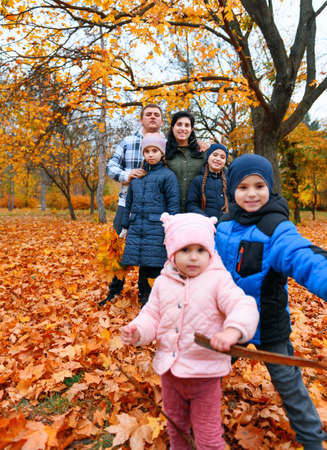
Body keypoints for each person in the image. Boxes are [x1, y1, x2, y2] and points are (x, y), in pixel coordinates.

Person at [215, 154, 327, 450]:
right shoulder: (223, 225)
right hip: (231, 325)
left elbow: (304, 258)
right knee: (208, 371)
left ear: (270, 188)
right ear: (232, 192)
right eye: (243, 187)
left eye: (259, 185)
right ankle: (200, 420)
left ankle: (313, 441)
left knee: (289, 384)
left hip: (269, 325)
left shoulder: (277, 228)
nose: (251, 194)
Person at [121, 212, 259, 449]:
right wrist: (138, 331)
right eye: (185, 250)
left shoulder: (218, 280)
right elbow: (152, 315)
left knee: (208, 437)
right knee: (176, 430)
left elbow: (243, 305)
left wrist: (232, 331)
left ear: (210, 252)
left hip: (204, 376)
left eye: (200, 250)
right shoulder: (164, 282)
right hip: (170, 375)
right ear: (172, 252)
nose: (193, 257)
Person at [99, 104, 164, 307]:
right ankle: (114, 291)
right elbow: (111, 166)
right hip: (126, 203)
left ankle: (146, 294)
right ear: (141, 119)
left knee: (150, 250)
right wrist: (127, 175)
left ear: (161, 120)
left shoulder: (166, 143)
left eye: (157, 115)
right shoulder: (128, 141)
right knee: (117, 247)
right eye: (148, 114)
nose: (152, 117)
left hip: (154, 208)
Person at [119, 133, 180, 305]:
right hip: (138, 227)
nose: (151, 154)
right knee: (143, 263)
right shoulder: (138, 177)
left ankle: (155, 299)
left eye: (155, 150)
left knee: (155, 263)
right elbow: (128, 202)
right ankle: (143, 296)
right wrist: (125, 226)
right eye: (147, 151)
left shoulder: (168, 176)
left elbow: (173, 205)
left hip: (156, 228)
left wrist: (170, 230)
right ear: (143, 154)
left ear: (162, 153)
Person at [165, 111, 206, 212]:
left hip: (197, 212)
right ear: (172, 127)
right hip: (170, 212)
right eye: (179, 124)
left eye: (187, 125)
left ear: (191, 129)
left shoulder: (202, 152)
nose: (183, 128)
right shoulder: (163, 152)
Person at [186, 143, 229, 220]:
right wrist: (205, 219)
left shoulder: (229, 181)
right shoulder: (198, 180)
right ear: (208, 157)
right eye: (215, 155)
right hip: (205, 225)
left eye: (222, 157)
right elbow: (191, 204)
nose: (218, 159)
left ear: (225, 162)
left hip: (225, 225)